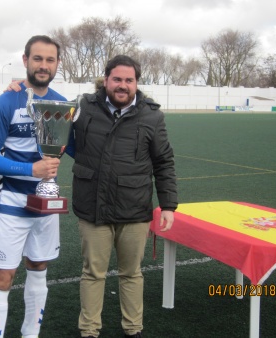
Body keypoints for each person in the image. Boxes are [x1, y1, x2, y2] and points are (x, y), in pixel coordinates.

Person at [67, 55, 178, 338]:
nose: (122, 85)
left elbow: (163, 161)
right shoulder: (82, 107)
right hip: (93, 207)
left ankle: (133, 329)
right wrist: (23, 88)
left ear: (136, 83)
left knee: (131, 273)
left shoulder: (152, 115)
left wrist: (168, 205)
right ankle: (89, 331)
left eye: (129, 80)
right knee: (93, 273)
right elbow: (50, 114)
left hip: (134, 209)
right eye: (117, 79)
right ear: (105, 80)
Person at [0, 35, 66, 338]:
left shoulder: (60, 104)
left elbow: (77, 148)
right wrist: (31, 169)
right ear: (26, 60)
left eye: (50, 60)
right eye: (37, 59)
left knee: (39, 271)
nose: (43, 65)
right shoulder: (6, 101)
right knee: (3, 277)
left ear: (57, 64)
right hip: (10, 204)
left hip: (45, 205)